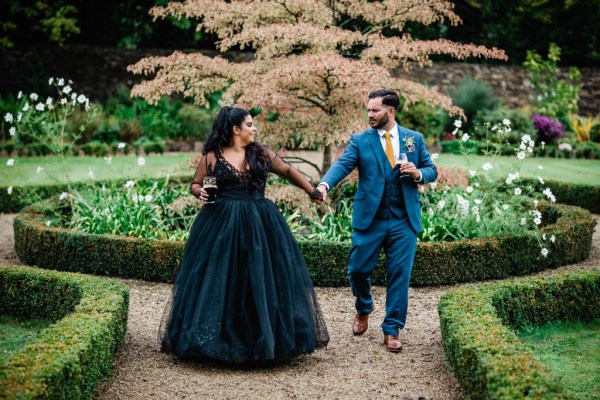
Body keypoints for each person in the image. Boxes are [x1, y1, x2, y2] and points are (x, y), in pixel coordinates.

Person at [159, 106, 329, 364]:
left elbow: (287, 170)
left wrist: (312, 191)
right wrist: (200, 192)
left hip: (260, 221)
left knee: (261, 278)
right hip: (221, 223)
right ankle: (218, 340)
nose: (254, 128)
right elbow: (197, 183)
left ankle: (263, 340)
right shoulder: (212, 157)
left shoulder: (260, 153)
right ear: (234, 129)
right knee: (221, 279)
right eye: (249, 124)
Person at [317, 89, 437, 352]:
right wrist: (325, 185)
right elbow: (342, 165)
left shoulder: (413, 139)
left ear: (390, 111)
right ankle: (364, 307)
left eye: (375, 110)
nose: (370, 114)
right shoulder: (361, 140)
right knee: (358, 269)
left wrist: (418, 173)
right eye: (369, 110)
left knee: (399, 275)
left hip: (404, 219)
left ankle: (392, 329)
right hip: (370, 219)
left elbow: (431, 169)